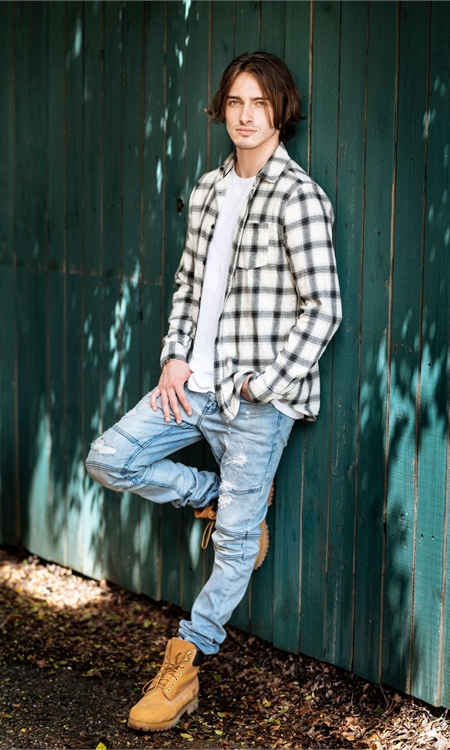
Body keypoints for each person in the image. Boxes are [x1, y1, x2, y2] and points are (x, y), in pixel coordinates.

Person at [85, 51, 342, 732]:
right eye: (235, 101)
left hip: (255, 400)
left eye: (259, 102)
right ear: (222, 108)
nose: (246, 115)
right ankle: (215, 495)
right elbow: (188, 285)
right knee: (109, 458)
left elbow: (324, 308)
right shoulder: (207, 189)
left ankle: (186, 662)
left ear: (280, 111)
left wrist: (267, 383)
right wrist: (174, 357)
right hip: (192, 386)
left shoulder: (298, 197)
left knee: (234, 546)